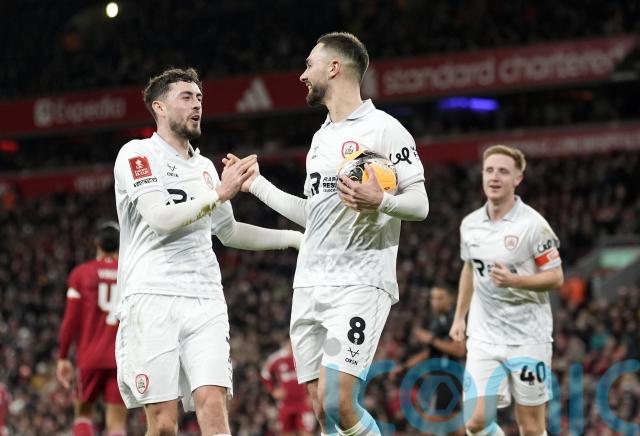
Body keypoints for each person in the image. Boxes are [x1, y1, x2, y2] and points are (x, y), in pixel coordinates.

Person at [227, 32, 429, 436]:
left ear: (334, 68)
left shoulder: (385, 129)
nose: (302, 75)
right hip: (309, 284)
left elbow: (420, 205)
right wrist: (257, 185)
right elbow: (313, 215)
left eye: (309, 65)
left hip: (359, 283)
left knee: (338, 400)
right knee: (322, 410)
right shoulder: (321, 138)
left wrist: (381, 200)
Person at [112, 67, 303, 436]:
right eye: (186, 97)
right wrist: (219, 193)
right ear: (159, 107)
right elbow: (160, 219)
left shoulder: (204, 168)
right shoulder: (137, 154)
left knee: (214, 407)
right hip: (152, 298)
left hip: (206, 299)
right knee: (164, 425)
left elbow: (228, 231)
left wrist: (294, 239)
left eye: (199, 98)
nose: (197, 105)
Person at [449, 145, 564, 436]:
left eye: (503, 171)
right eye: (489, 170)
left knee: (531, 426)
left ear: (517, 179)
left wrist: (515, 281)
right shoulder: (470, 224)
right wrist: (459, 317)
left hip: (528, 338)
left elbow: (556, 277)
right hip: (484, 337)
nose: (494, 177)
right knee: (475, 422)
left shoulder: (534, 225)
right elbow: (469, 269)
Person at [57, 221, 127, 436]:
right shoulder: (129, 274)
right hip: (121, 357)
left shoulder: (82, 274)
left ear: (97, 243)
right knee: (117, 425)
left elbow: (71, 320)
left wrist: (63, 356)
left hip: (89, 357)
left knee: (83, 414)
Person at [391, 286, 465, 435]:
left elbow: (459, 349)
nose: (435, 302)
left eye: (440, 298)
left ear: (450, 299)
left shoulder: (453, 320)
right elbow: (431, 352)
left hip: (445, 378)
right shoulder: (437, 322)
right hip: (443, 379)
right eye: (433, 298)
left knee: (430, 425)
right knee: (454, 427)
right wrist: (405, 366)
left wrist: (431, 339)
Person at [261, 339, 315, 436]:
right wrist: (273, 390)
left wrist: (311, 395)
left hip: (303, 402)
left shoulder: (304, 357)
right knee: (286, 432)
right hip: (285, 403)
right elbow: (265, 375)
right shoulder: (276, 358)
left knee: (306, 431)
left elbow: (313, 376)